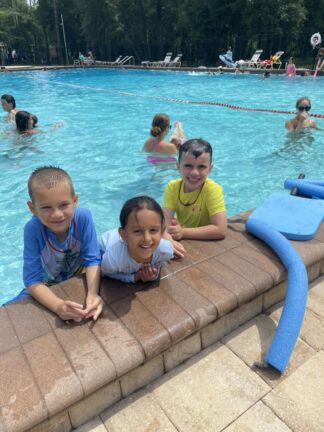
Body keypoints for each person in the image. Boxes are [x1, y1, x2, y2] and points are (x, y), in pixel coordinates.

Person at [20, 166, 103, 321]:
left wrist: (93, 293)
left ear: (75, 201)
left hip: (79, 274)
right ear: (33, 209)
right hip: (48, 283)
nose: (57, 214)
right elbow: (32, 280)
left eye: (64, 205)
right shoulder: (32, 230)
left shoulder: (83, 218)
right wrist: (58, 306)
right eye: (46, 207)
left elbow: (92, 259)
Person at [162, 138, 227, 244]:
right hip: (183, 241)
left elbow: (221, 230)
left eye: (201, 167)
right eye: (188, 166)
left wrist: (183, 232)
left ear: (210, 169)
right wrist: (169, 240)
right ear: (178, 166)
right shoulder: (172, 187)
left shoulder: (212, 189)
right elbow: (164, 223)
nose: (194, 173)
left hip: (208, 244)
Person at [100, 196, 174, 283]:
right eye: (137, 231)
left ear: (162, 232)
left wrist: (154, 274)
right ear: (124, 235)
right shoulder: (113, 260)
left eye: (153, 230)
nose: (147, 239)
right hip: (103, 247)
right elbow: (104, 272)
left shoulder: (165, 252)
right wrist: (133, 277)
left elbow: (161, 264)